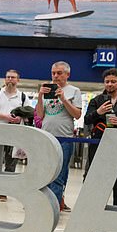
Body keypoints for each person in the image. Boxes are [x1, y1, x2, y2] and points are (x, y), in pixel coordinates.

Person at [83, 68, 117, 206]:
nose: (110, 84)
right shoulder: (96, 100)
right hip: (98, 144)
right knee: (95, 181)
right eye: (107, 82)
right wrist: (98, 112)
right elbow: (87, 120)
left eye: (113, 81)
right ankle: (92, 212)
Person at [35, 61, 82, 210]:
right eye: (53, 73)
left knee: (59, 175)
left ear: (67, 74)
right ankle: (41, 204)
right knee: (44, 173)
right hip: (46, 137)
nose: (56, 76)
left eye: (59, 73)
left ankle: (53, 207)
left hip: (64, 139)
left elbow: (77, 114)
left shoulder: (74, 91)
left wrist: (63, 99)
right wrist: (40, 96)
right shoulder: (47, 89)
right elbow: (40, 115)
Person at [0, 69, 27, 178]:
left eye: (13, 77)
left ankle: (4, 191)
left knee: (11, 163)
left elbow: (28, 114)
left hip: (14, 134)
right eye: (8, 77)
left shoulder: (23, 96)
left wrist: (20, 118)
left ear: (18, 80)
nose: (10, 79)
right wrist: (5, 116)